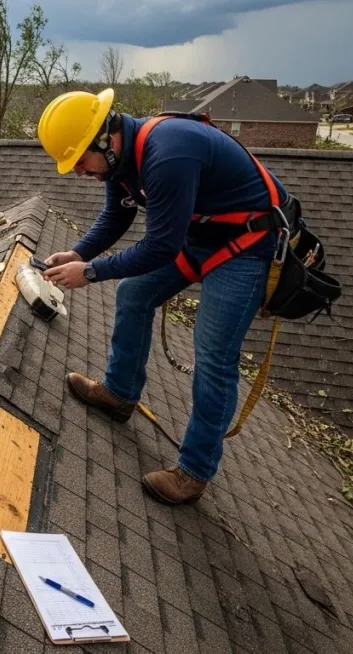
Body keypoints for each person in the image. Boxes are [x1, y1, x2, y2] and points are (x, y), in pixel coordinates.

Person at [35, 88, 295, 506]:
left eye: (81, 161)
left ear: (105, 138)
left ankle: (193, 472)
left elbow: (160, 247)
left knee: (212, 353)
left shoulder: (168, 153)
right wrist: (80, 251)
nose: (80, 172)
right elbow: (117, 215)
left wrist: (90, 271)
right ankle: (119, 394)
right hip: (202, 237)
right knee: (134, 293)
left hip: (249, 245)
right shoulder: (122, 162)